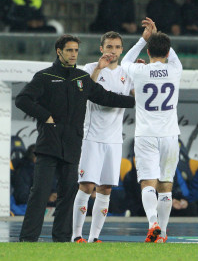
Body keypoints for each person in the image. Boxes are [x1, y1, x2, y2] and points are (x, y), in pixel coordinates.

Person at [15, 34, 135, 242]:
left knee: (68, 195)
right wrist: (46, 116)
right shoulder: (45, 76)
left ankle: (62, 238)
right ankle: (28, 238)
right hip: (48, 145)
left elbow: (106, 97)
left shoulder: (82, 78)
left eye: (76, 50)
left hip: (72, 145)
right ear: (59, 51)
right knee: (40, 193)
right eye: (69, 50)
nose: (73, 54)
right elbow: (22, 100)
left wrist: (137, 101)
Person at [121, 17, 182, 243]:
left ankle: (152, 223)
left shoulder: (138, 71)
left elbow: (124, 60)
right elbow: (168, 54)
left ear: (148, 52)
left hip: (146, 134)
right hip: (169, 135)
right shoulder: (175, 70)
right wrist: (157, 37)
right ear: (167, 53)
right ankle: (163, 234)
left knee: (148, 182)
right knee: (166, 184)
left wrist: (143, 39)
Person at [72, 31, 134, 243]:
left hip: (114, 139)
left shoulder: (128, 73)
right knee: (86, 186)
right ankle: (76, 236)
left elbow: (135, 97)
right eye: (109, 47)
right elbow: (85, 91)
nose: (113, 51)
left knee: (105, 189)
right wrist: (99, 67)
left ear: (121, 50)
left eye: (117, 47)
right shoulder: (90, 68)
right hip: (92, 136)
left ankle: (94, 238)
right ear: (101, 48)